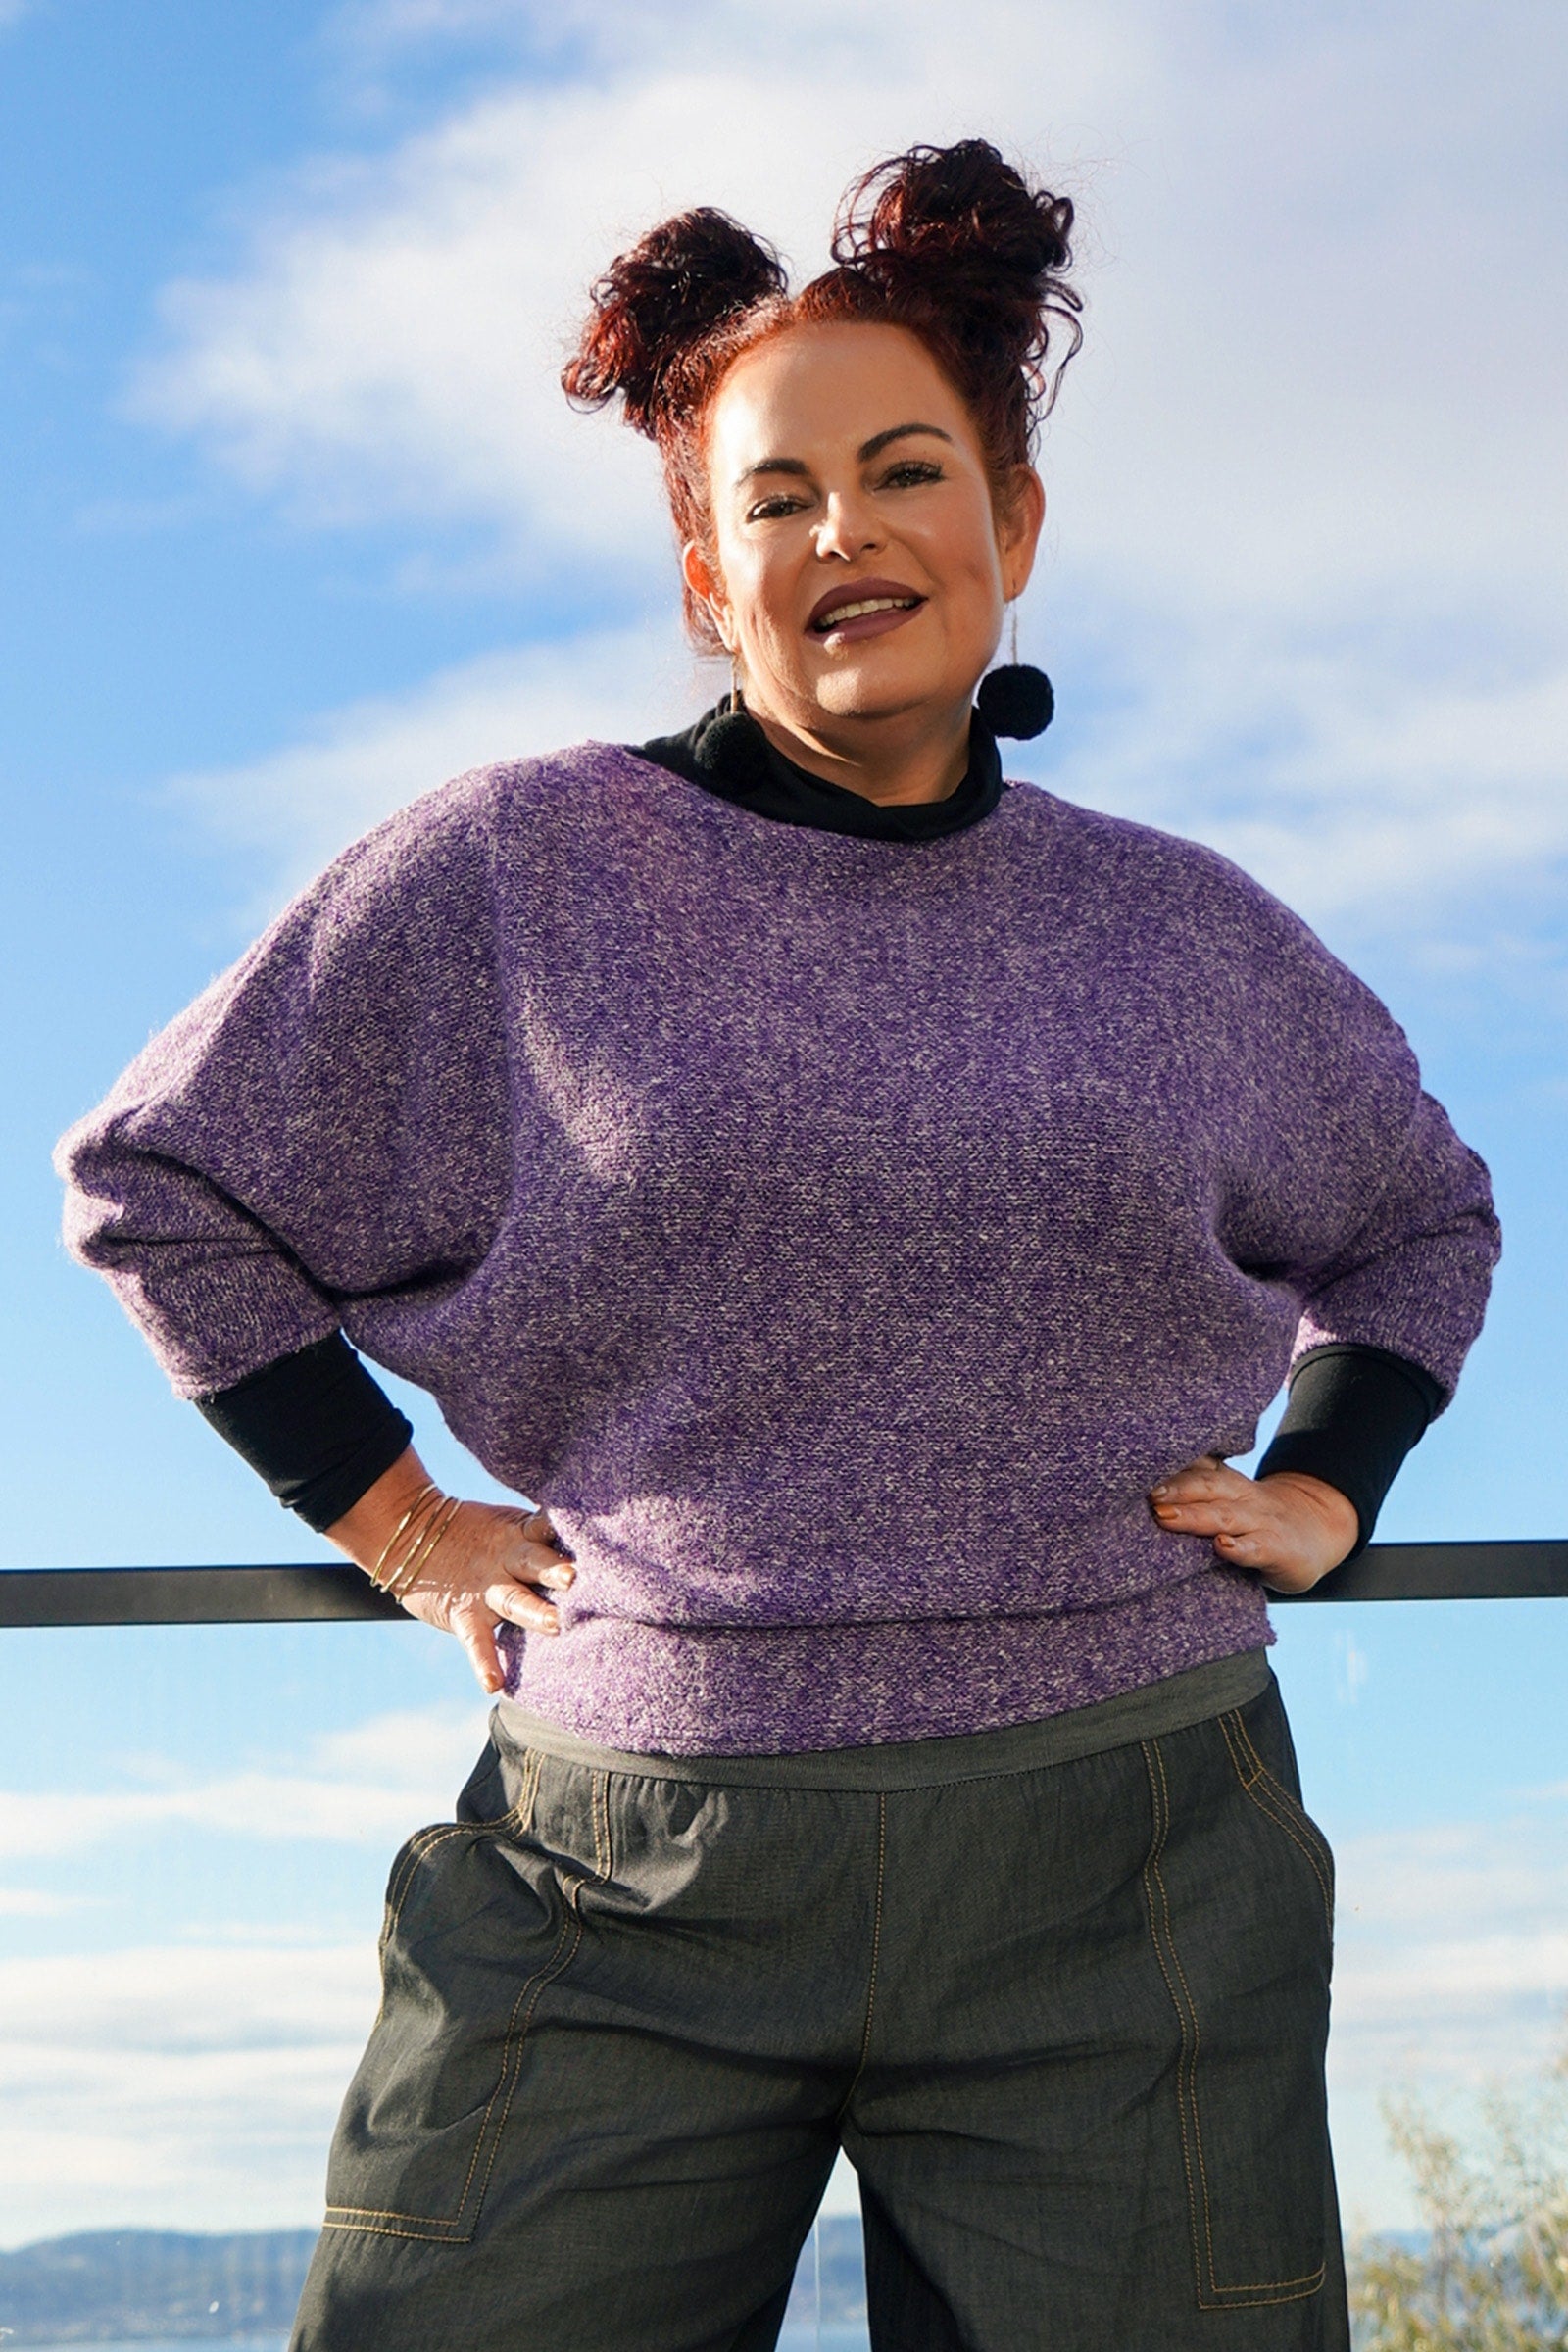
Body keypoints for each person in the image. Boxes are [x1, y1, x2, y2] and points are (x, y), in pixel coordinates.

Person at [57, 140, 1498, 2352]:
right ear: (706, 579)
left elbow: (1414, 1219)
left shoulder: (1188, 935)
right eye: (777, 496)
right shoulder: (509, 875)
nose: (847, 530)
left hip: (1128, 1870)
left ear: (1013, 526)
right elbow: (162, 1185)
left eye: (907, 471)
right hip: (614, 1870)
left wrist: (1333, 1477)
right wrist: (403, 1527)